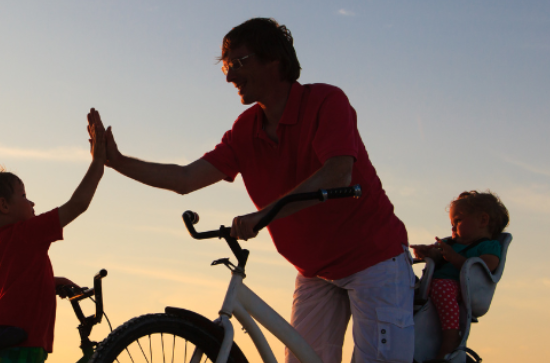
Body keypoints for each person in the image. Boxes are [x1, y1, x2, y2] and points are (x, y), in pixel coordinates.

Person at [91, 18, 414, 363]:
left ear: (274, 60)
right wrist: (118, 161)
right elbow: (185, 179)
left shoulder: (325, 101)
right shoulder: (246, 129)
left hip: (373, 260)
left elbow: (338, 172)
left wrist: (262, 215)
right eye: (226, 67)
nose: (230, 76)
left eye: (239, 63)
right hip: (314, 271)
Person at [0, 109, 107, 363]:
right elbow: (77, 204)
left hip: (6, 347)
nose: (32, 202)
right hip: (21, 347)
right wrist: (98, 162)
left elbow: (19, 289)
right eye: (24, 196)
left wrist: (52, 280)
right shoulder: (26, 235)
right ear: (4, 206)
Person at [411, 191, 509, 362]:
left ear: (483, 221)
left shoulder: (488, 246)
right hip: (431, 286)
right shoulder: (451, 244)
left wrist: (454, 257)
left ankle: (451, 337)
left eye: (458, 221)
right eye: (452, 222)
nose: (452, 227)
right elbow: (436, 257)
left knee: (442, 287)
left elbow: (485, 267)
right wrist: (427, 253)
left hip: (458, 288)